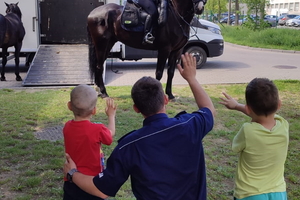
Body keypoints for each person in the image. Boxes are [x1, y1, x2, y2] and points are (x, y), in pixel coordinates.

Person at [64, 53, 216, 200]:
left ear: (136, 108)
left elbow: (101, 190)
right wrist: (191, 79)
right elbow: (209, 109)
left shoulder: (129, 146)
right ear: (165, 99)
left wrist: (72, 173)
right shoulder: (190, 125)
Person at [219, 78, 289, 200]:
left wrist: (237, 106)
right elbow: (265, 116)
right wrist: (237, 106)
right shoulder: (283, 125)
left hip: (250, 194)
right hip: (278, 192)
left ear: (248, 108)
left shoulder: (248, 131)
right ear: (279, 104)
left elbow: (235, 147)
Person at [63, 84, 116, 200]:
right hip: (92, 183)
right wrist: (111, 116)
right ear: (94, 111)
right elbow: (110, 135)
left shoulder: (67, 127)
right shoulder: (98, 130)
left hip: (71, 180)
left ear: (69, 106)